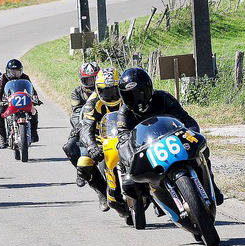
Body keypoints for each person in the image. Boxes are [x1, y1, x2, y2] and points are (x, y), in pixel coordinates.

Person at [116, 67, 224, 206]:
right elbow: (123, 139)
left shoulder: (163, 98)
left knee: (202, 150)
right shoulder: (123, 113)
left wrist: (192, 133)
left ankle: (211, 186)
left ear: (149, 88)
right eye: (131, 96)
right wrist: (132, 160)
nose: (137, 99)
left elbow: (186, 119)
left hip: (171, 140)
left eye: (141, 93)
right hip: (145, 150)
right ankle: (147, 198)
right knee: (129, 181)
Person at [78, 67, 122, 212]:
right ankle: (103, 193)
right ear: (98, 89)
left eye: (113, 89)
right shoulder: (92, 102)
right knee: (83, 164)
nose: (110, 94)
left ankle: (156, 194)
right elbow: (85, 128)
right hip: (101, 141)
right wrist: (92, 147)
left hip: (126, 136)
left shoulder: (126, 96)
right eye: (105, 90)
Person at [62, 62, 100, 187]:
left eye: (94, 78)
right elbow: (76, 112)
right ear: (82, 79)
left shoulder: (104, 89)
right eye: (88, 80)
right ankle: (80, 171)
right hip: (84, 125)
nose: (91, 82)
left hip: (103, 124)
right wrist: (78, 125)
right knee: (69, 146)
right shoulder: (76, 92)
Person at [0, 59, 42, 147]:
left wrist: (36, 98)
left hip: (23, 100)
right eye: (13, 71)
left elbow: (32, 90)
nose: (15, 74)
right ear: (8, 71)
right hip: (8, 102)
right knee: (0, 114)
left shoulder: (25, 77)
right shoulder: (2, 78)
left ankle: (34, 132)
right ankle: (3, 137)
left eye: (17, 71)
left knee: (34, 112)